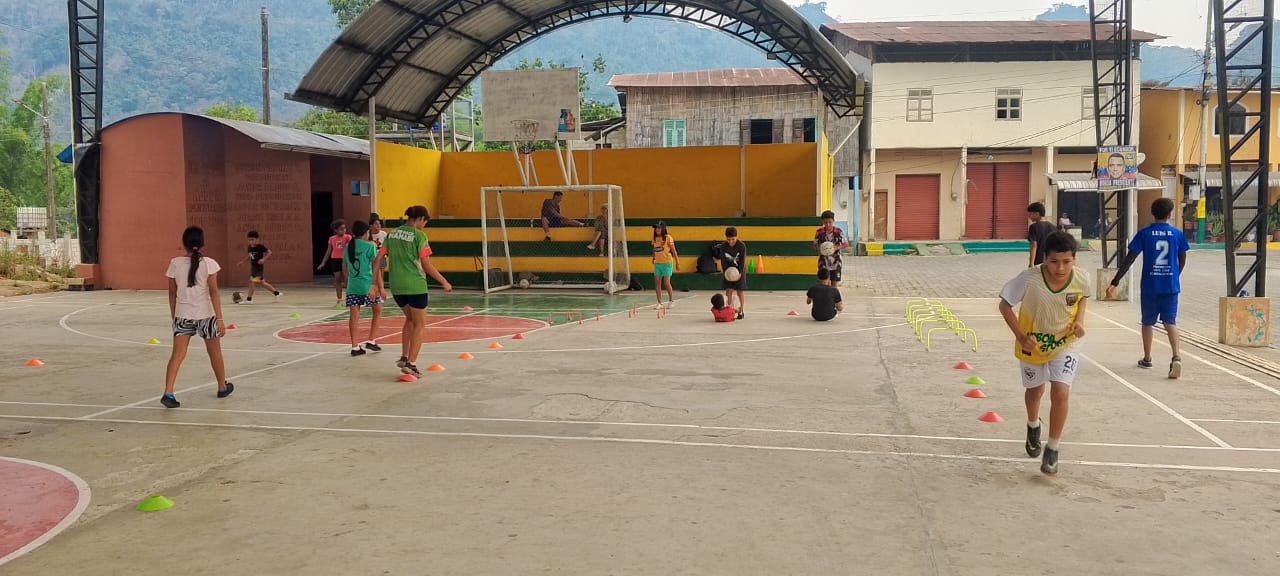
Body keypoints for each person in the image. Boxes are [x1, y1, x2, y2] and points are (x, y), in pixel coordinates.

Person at [998, 231, 1090, 475]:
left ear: (1074, 260)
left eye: (1067, 262)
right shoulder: (1029, 279)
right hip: (1033, 344)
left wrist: (1080, 322)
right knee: (1035, 391)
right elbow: (1004, 305)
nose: (1060, 268)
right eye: (1054, 261)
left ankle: (1053, 448)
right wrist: (1021, 337)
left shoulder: (1082, 278)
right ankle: (1033, 425)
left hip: (1066, 343)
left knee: (1060, 392)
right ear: (1044, 258)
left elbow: (1082, 298)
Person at [1106, 198, 1190, 379]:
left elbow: (1130, 258)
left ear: (1153, 213)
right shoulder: (1177, 234)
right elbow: (1182, 258)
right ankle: (1176, 356)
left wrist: (1115, 281)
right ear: (1170, 214)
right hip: (1170, 286)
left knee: (1147, 322)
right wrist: (1175, 275)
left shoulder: (1144, 234)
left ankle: (1147, 358)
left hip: (1150, 286)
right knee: (1170, 322)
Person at [161, 226, 233, 408]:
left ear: (183, 243)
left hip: (182, 315)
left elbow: (172, 293)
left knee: (177, 355)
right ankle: (222, 386)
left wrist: (174, 316)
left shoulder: (175, 264)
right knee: (215, 352)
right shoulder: (209, 264)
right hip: (206, 315)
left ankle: (168, 392)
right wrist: (220, 319)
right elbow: (214, 292)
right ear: (202, 243)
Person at [385, 205, 452, 377]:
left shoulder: (392, 234)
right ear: (421, 219)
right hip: (415, 285)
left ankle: (404, 356)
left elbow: (379, 259)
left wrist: (375, 284)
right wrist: (444, 281)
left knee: (409, 319)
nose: (424, 226)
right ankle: (411, 364)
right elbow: (426, 265)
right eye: (425, 222)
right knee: (420, 324)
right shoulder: (420, 236)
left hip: (396, 286)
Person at [343, 220, 386, 357]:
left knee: (354, 317)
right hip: (368, 285)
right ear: (365, 233)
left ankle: (355, 346)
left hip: (353, 286)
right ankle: (371, 340)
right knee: (377, 311)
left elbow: (345, 269)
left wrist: (350, 281)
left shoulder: (348, 247)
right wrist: (380, 287)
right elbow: (376, 268)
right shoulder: (370, 246)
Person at [236, 230, 282, 304]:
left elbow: (269, 252)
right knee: (262, 283)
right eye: (249, 240)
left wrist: (263, 259)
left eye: (252, 239)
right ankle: (276, 293)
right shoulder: (249, 247)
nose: (251, 241)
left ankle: (249, 299)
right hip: (253, 268)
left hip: (259, 269)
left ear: (257, 239)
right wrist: (243, 262)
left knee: (252, 281)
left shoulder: (260, 247)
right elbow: (250, 256)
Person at [317, 220, 352, 307]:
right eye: (341, 229)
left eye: (344, 228)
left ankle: (349, 298)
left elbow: (351, 245)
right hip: (335, 260)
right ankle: (339, 299)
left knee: (347, 279)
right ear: (336, 230)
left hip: (345, 259)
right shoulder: (332, 239)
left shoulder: (348, 237)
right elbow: (329, 251)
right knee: (338, 280)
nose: (343, 230)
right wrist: (323, 262)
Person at [716, 226, 747, 319]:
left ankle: (741, 311)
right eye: (728, 239)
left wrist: (740, 273)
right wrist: (726, 272)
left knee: (739, 291)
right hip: (728, 272)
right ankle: (729, 310)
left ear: (736, 237)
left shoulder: (741, 246)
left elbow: (742, 260)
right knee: (729, 290)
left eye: (733, 239)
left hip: (739, 270)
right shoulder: (723, 246)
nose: (731, 242)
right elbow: (723, 261)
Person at [813, 210, 849, 283]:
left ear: (833, 221)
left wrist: (836, 248)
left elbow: (845, 244)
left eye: (830, 222)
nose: (828, 224)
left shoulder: (838, 231)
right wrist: (820, 249)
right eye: (825, 222)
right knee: (824, 282)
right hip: (823, 262)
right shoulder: (819, 232)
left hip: (836, 262)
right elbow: (815, 244)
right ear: (823, 222)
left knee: (834, 283)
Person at [651, 221, 679, 309]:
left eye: (659, 228)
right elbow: (654, 249)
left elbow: (674, 251)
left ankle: (671, 301)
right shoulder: (654, 238)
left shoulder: (668, 238)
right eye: (656, 228)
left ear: (663, 229)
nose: (657, 229)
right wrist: (654, 257)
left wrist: (677, 263)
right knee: (657, 283)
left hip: (667, 263)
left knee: (666, 283)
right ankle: (659, 302)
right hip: (658, 264)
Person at [1026, 202, 1057, 267]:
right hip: (1050, 260)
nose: (1029, 217)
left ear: (1037, 214)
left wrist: (1031, 263)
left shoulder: (1033, 227)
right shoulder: (1053, 227)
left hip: (1038, 260)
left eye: (1030, 214)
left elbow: (1034, 245)